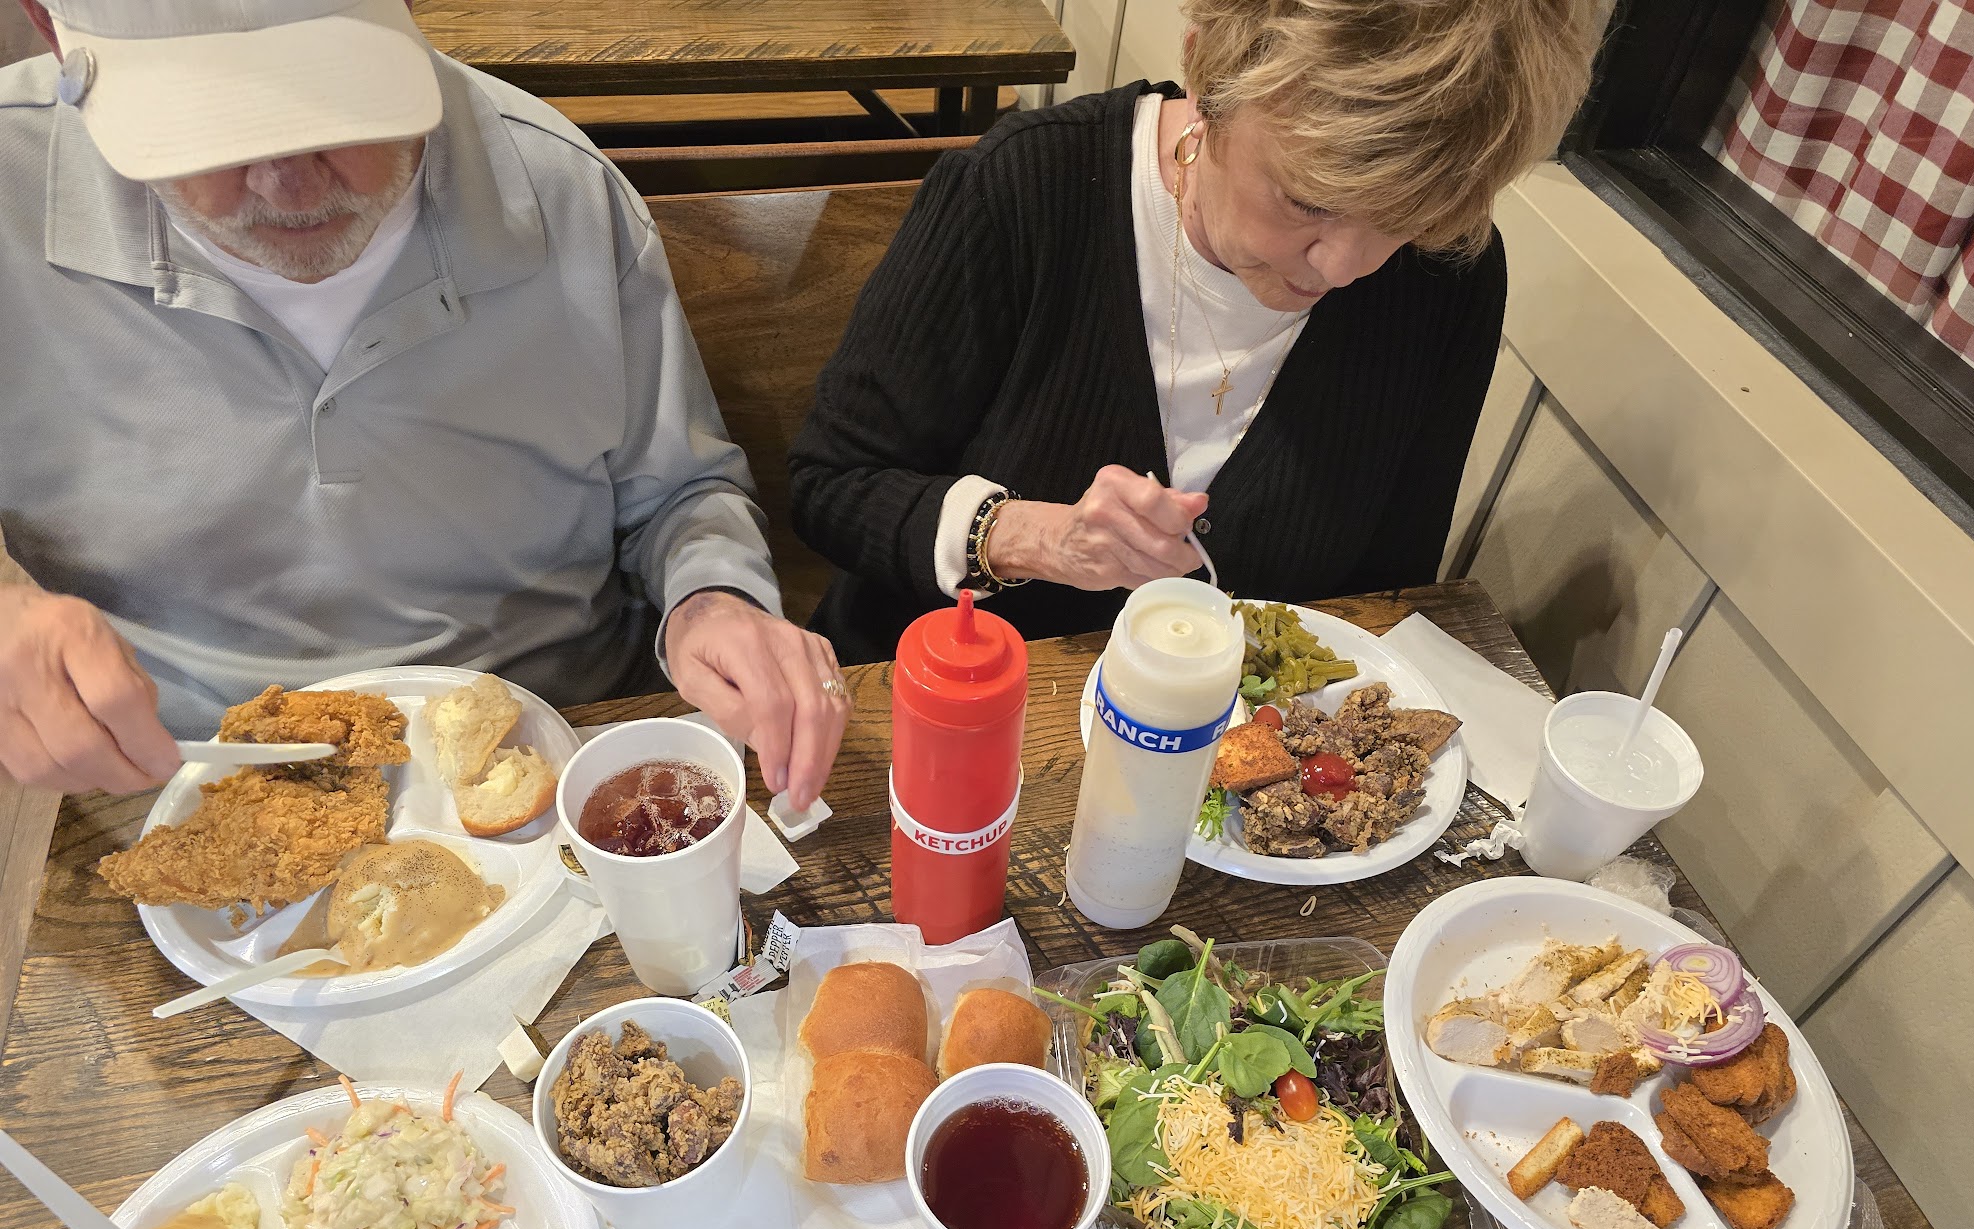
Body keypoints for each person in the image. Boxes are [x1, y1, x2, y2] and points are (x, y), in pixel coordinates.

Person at [0, 0, 848, 802]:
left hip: (555, 739)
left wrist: (712, 601)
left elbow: (679, 492)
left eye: (336, 104)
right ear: (50, 28)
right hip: (176, 768)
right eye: (198, 129)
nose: (288, 186)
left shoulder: (555, 186)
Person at [791, 0, 1600, 663]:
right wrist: (1034, 536)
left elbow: (1388, 591)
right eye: (1307, 199)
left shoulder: (1443, 276)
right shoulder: (1026, 191)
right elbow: (832, 482)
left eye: (1406, 216)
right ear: (1209, 72)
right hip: (938, 724)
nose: (1347, 264)